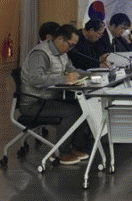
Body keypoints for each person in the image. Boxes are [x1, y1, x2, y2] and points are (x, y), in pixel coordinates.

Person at [20, 24, 92, 165]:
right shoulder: (40, 54)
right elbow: (35, 79)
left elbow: (72, 70)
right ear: (60, 39)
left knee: (84, 106)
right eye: (70, 45)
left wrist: (91, 75)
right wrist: (63, 79)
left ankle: (74, 147)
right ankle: (62, 152)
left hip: (49, 98)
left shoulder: (62, 53)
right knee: (73, 112)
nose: (70, 49)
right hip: (33, 103)